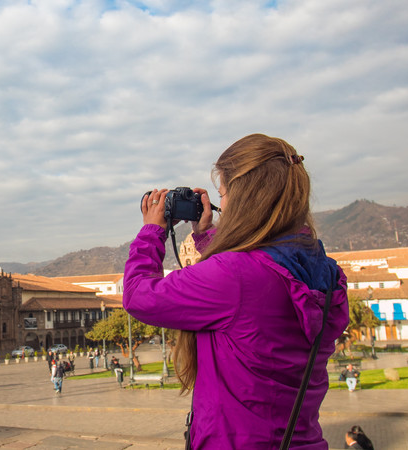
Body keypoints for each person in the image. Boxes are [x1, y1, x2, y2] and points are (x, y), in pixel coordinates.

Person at [123, 134, 349, 449]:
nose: (222, 204)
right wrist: (206, 236)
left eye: (223, 193)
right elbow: (252, 299)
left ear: (245, 198)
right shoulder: (327, 272)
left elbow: (138, 295)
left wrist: (152, 232)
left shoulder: (235, 276)